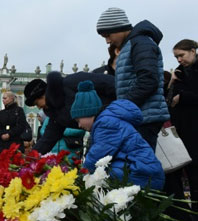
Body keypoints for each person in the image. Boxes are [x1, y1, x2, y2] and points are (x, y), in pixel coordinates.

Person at [96, 7, 170, 149]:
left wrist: (120, 106)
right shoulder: (132, 45)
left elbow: (148, 80)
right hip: (139, 114)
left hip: (145, 117)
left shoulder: (141, 43)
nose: (107, 41)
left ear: (119, 27)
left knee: (141, 165)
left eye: (107, 35)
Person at [71, 80, 164, 189]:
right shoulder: (107, 121)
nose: (79, 125)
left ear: (87, 113)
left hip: (139, 173)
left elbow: (99, 153)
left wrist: (82, 174)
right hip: (141, 169)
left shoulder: (105, 124)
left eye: (78, 120)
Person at [25, 72, 115, 154]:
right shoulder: (55, 113)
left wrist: (121, 104)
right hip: (100, 132)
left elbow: (108, 83)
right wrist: (32, 156)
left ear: (43, 95)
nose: (39, 107)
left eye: (37, 103)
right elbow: (48, 138)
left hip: (115, 117)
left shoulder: (71, 82)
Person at [168, 39, 198, 221]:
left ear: (193, 51)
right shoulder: (180, 74)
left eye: (182, 55)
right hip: (183, 130)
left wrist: (183, 97)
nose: (180, 59)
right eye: (177, 56)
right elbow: (169, 100)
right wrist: (171, 83)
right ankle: (189, 216)